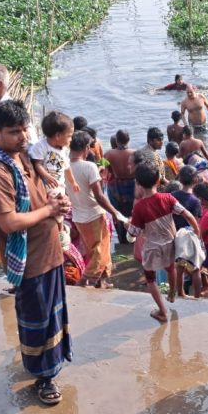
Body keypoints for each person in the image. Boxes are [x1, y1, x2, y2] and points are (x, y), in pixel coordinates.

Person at [0, 100, 72, 405]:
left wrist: (56, 203)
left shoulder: (24, 157)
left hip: (49, 251)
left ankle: (51, 366)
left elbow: (37, 197)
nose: (21, 136)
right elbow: (8, 222)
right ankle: (43, 378)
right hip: (29, 260)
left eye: (24, 129)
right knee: (37, 319)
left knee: (53, 316)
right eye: (13, 132)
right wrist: (49, 210)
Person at [126, 163, 200, 323]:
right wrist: (196, 231)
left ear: (138, 184)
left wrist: (128, 226)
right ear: (159, 180)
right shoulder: (168, 198)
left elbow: (132, 234)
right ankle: (172, 294)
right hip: (170, 243)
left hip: (152, 247)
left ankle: (162, 310)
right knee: (171, 267)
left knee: (150, 279)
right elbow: (187, 215)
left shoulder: (139, 208)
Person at [67, 131, 125, 289]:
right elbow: (99, 196)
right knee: (99, 252)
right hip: (93, 215)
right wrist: (115, 213)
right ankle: (84, 281)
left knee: (94, 250)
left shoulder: (64, 167)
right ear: (86, 148)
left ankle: (103, 281)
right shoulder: (88, 166)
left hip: (78, 216)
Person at [171, 165, 203, 298]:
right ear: (195, 180)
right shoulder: (195, 200)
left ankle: (181, 293)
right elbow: (195, 220)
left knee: (179, 266)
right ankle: (197, 296)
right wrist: (198, 235)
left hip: (176, 234)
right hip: (190, 234)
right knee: (195, 268)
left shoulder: (172, 195)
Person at [30, 111, 78, 194]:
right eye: (69, 136)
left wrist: (73, 182)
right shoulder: (41, 146)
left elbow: (67, 168)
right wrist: (46, 176)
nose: (71, 139)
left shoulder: (64, 150)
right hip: (46, 186)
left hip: (59, 187)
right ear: (58, 136)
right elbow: (38, 164)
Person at [106, 129, 137, 242]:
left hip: (117, 187)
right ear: (128, 139)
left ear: (117, 140)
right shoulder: (135, 153)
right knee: (133, 212)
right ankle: (134, 237)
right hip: (133, 185)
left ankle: (122, 239)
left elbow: (100, 168)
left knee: (118, 213)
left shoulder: (109, 154)